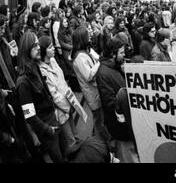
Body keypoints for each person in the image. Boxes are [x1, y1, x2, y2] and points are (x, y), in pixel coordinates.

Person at [16, 31, 64, 163]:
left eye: (38, 44)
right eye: (34, 45)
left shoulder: (35, 67)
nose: (38, 47)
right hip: (47, 129)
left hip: (53, 119)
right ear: (26, 49)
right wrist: (48, 130)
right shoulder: (23, 82)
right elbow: (29, 116)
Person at [96, 37, 138, 163]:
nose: (124, 55)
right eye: (121, 53)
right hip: (121, 128)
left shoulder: (115, 67)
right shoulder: (103, 74)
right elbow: (111, 104)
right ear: (112, 54)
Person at [38, 36, 77, 158]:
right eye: (50, 47)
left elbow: (62, 82)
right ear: (44, 51)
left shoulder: (53, 60)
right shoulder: (42, 70)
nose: (53, 48)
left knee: (74, 134)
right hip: (61, 110)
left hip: (68, 103)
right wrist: (67, 107)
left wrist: (72, 101)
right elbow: (54, 95)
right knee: (70, 140)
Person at [72, 27, 110, 144]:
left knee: (101, 117)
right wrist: (99, 63)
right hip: (92, 93)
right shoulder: (79, 57)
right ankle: (101, 142)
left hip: (96, 90)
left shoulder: (86, 51)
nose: (90, 36)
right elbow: (88, 75)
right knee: (99, 120)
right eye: (87, 35)